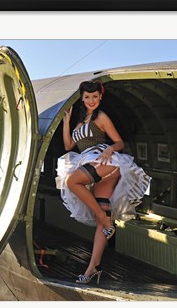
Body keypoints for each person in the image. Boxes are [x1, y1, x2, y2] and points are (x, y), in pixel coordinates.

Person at [55, 80, 151, 284]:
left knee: (72, 182)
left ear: (100, 97)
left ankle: (106, 222)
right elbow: (68, 145)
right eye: (87, 97)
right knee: (101, 215)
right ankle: (92, 268)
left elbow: (119, 142)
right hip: (88, 160)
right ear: (82, 98)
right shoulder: (80, 121)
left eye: (95, 97)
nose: (91, 100)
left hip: (104, 160)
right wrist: (66, 123)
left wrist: (110, 149)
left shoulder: (101, 117)